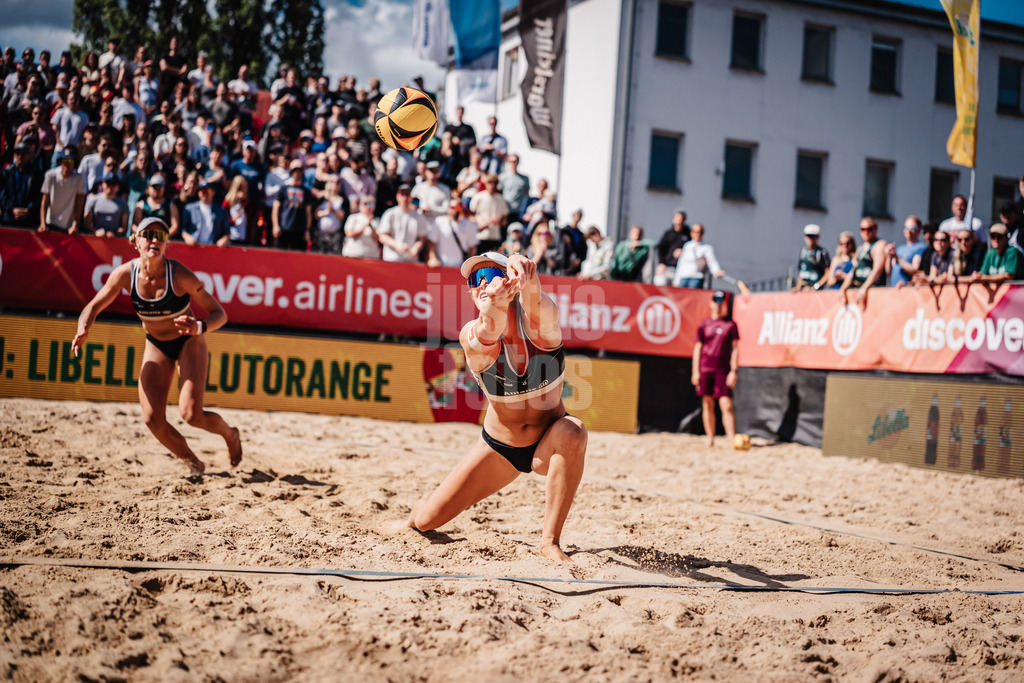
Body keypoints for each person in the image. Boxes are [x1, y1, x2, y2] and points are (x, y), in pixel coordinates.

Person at [385, 252, 586, 563]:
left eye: (489, 273)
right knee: (428, 521)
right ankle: (411, 517)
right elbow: (487, 330)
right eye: (473, 281)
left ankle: (550, 541)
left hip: (549, 440)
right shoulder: (471, 334)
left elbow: (536, 302)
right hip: (500, 447)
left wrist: (527, 274)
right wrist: (494, 302)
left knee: (574, 432)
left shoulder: (540, 323)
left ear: (510, 279)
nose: (480, 285)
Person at [72, 217, 242, 474]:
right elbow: (93, 306)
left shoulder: (180, 274)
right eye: (149, 234)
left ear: (165, 244)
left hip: (188, 342)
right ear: (136, 242)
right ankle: (194, 464)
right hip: (157, 344)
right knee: (153, 419)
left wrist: (199, 327)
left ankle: (230, 434)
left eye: (160, 236)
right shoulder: (125, 274)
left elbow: (220, 314)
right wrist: (83, 326)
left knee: (192, 415)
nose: (154, 240)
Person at [692, 290, 739, 449]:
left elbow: (735, 349)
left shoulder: (730, 325)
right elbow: (697, 349)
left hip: (723, 370)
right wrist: (695, 371)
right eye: (716, 301)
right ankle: (710, 439)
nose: (718, 304)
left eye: (721, 301)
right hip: (706, 368)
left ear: (724, 304)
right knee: (707, 404)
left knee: (726, 405)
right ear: (711, 303)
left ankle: (731, 440)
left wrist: (734, 370)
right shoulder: (704, 325)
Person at [378, 184, 431, 263]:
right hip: (392, 258)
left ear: (411, 198)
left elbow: (423, 237)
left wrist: (416, 247)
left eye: (407, 195)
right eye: (402, 194)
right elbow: (382, 236)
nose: (405, 198)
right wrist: (397, 245)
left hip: (410, 260)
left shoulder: (418, 216)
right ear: (397, 197)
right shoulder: (390, 213)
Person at [840, 217, 888, 303]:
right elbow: (853, 271)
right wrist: (843, 289)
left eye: (869, 229)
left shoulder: (879, 245)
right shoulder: (860, 249)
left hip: (872, 291)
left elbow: (877, 271)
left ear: (875, 229)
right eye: (863, 229)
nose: (866, 232)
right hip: (858, 289)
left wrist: (863, 290)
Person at [39, 148, 86, 234]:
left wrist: (75, 225)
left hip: (68, 227)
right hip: (50, 224)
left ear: (74, 162)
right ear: (60, 162)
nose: (67, 163)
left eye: (70, 160)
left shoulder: (79, 178)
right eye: (65, 160)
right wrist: (43, 223)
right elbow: (45, 201)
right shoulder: (50, 175)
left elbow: (79, 204)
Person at [272, 160, 314, 251]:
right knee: (280, 257)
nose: (297, 174)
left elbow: (308, 213)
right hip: (284, 228)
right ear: (291, 172)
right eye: (295, 171)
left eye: (299, 171)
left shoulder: (306, 192)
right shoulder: (283, 189)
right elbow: (276, 209)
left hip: (299, 230)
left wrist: (307, 230)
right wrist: (275, 225)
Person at [0, 141, 43, 227]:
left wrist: (28, 210)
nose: (20, 156)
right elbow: (2, 195)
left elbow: (38, 195)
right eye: (18, 153)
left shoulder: (35, 174)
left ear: (29, 155)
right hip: (10, 218)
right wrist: (12, 210)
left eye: (23, 154)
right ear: (14, 155)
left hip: (29, 219)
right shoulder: (6, 172)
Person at [431, 197, 479, 267]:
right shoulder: (439, 221)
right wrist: (432, 258)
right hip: (440, 266)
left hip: (459, 267)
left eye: (458, 207)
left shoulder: (468, 224)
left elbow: (472, 247)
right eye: (452, 207)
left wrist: (468, 266)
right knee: (432, 278)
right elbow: (431, 242)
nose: (455, 210)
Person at [181, 180, 230, 247]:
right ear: (198, 193)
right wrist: (187, 237)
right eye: (202, 191)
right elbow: (183, 229)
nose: (204, 193)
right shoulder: (189, 209)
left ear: (213, 192)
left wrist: (224, 239)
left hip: (213, 249)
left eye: (207, 190)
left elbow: (227, 231)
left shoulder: (221, 211)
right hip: (194, 248)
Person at [887, 216, 926, 287]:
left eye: (913, 228)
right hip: (894, 289)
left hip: (908, 290)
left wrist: (897, 258)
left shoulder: (921, 247)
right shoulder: (900, 249)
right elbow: (889, 272)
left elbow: (915, 270)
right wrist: (889, 255)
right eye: (906, 227)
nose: (909, 231)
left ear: (919, 231)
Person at [313, 175, 348, 254]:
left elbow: (343, 217)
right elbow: (315, 215)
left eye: (337, 182)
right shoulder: (322, 198)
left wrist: (333, 210)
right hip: (320, 235)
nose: (335, 184)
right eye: (332, 182)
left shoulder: (343, 199)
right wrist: (325, 212)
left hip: (335, 236)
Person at [654, 210, 690, 286]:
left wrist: (683, 251)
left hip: (680, 270)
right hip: (666, 267)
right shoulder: (668, 234)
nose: (679, 221)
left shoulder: (688, 235)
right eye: (678, 218)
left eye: (681, 219)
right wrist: (661, 263)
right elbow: (661, 249)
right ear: (673, 219)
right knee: (659, 284)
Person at [342, 195, 381, 259]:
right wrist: (365, 226)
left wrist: (371, 226)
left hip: (371, 256)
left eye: (370, 204)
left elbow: (378, 239)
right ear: (360, 205)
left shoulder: (376, 220)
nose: (368, 206)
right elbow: (350, 234)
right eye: (365, 204)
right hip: (353, 254)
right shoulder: (353, 217)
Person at [793, 224, 830, 291]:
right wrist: (798, 287)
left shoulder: (822, 252)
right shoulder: (803, 252)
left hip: (815, 288)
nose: (811, 239)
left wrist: (816, 287)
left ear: (818, 237)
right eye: (808, 236)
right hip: (803, 288)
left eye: (814, 236)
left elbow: (828, 273)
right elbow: (801, 271)